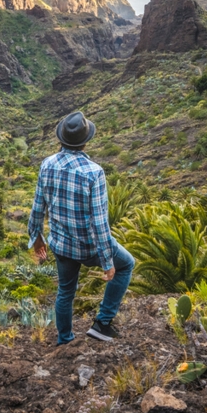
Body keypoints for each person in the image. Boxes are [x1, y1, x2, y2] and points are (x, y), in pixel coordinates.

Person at [28, 110, 135, 344]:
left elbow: (38, 208)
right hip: (89, 248)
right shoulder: (93, 172)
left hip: (61, 246)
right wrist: (107, 262)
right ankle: (102, 323)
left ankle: (65, 339)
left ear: (61, 139)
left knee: (65, 291)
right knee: (126, 264)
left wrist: (37, 240)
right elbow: (99, 222)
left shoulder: (47, 165)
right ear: (86, 141)